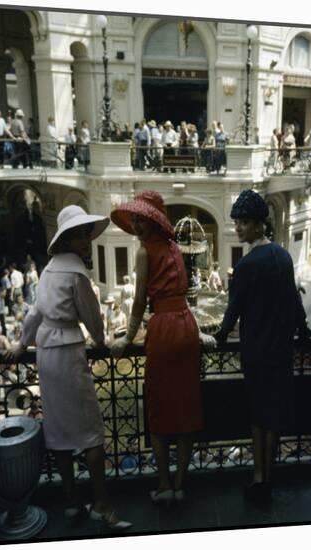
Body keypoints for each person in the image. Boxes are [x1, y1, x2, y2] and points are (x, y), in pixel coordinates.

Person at [5, 205, 132, 530]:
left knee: (59, 432)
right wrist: (101, 342)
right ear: (69, 239)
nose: (86, 240)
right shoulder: (76, 271)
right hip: (69, 351)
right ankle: (102, 504)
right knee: (92, 433)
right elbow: (91, 315)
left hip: (46, 353)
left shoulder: (48, 270)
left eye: (86, 233)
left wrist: (22, 343)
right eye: (81, 235)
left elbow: (34, 313)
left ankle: (73, 502)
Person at [110, 190, 215, 503]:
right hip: (185, 327)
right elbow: (183, 297)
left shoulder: (144, 252)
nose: (138, 225)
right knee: (186, 409)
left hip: (164, 330)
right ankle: (181, 487)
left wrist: (127, 337)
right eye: (136, 219)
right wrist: (197, 333)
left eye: (142, 219)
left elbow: (141, 300)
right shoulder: (174, 248)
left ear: (153, 221)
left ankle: (166, 486)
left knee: (159, 413)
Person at [214, 189, 311, 506]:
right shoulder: (283, 257)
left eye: (244, 222)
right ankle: (268, 479)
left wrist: (219, 336)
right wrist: (304, 328)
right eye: (238, 222)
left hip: (256, 354)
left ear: (259, 225)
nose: (239, 228)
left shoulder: (246, 265)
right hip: (281, 353)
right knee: (274, 418)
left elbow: (234, 311)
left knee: (258, 418)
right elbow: (295, 301)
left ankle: (259, 479)